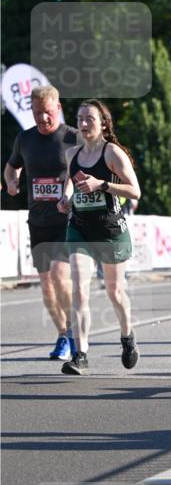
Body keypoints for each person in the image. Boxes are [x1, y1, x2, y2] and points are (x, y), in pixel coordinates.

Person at [56, 100, 141, 375]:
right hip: (80, 228)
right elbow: (70, 183)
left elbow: (135, 191)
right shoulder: (72, 154)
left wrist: (102, 184)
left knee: (115, 292)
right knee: (79, 289)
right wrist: (65, 199)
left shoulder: (112, 153)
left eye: (89, 119)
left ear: (103, 123)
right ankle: (80, 355)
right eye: (79, 118)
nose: (83, 124)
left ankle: (127, 336)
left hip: (110, 232)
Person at [4, 85, 79, 360]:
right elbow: (12, 165)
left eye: (47, 113)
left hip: (66, 219)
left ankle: (74, 332)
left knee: (60, 275)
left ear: (57, 108)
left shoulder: (73, 137)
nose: (42, 119)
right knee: (46, 284)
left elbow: (79, 171)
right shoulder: (25, 139)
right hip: (37, 221)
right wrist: (10, 181)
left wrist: (68, 194)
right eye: (37, 114)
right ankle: (63, 333)